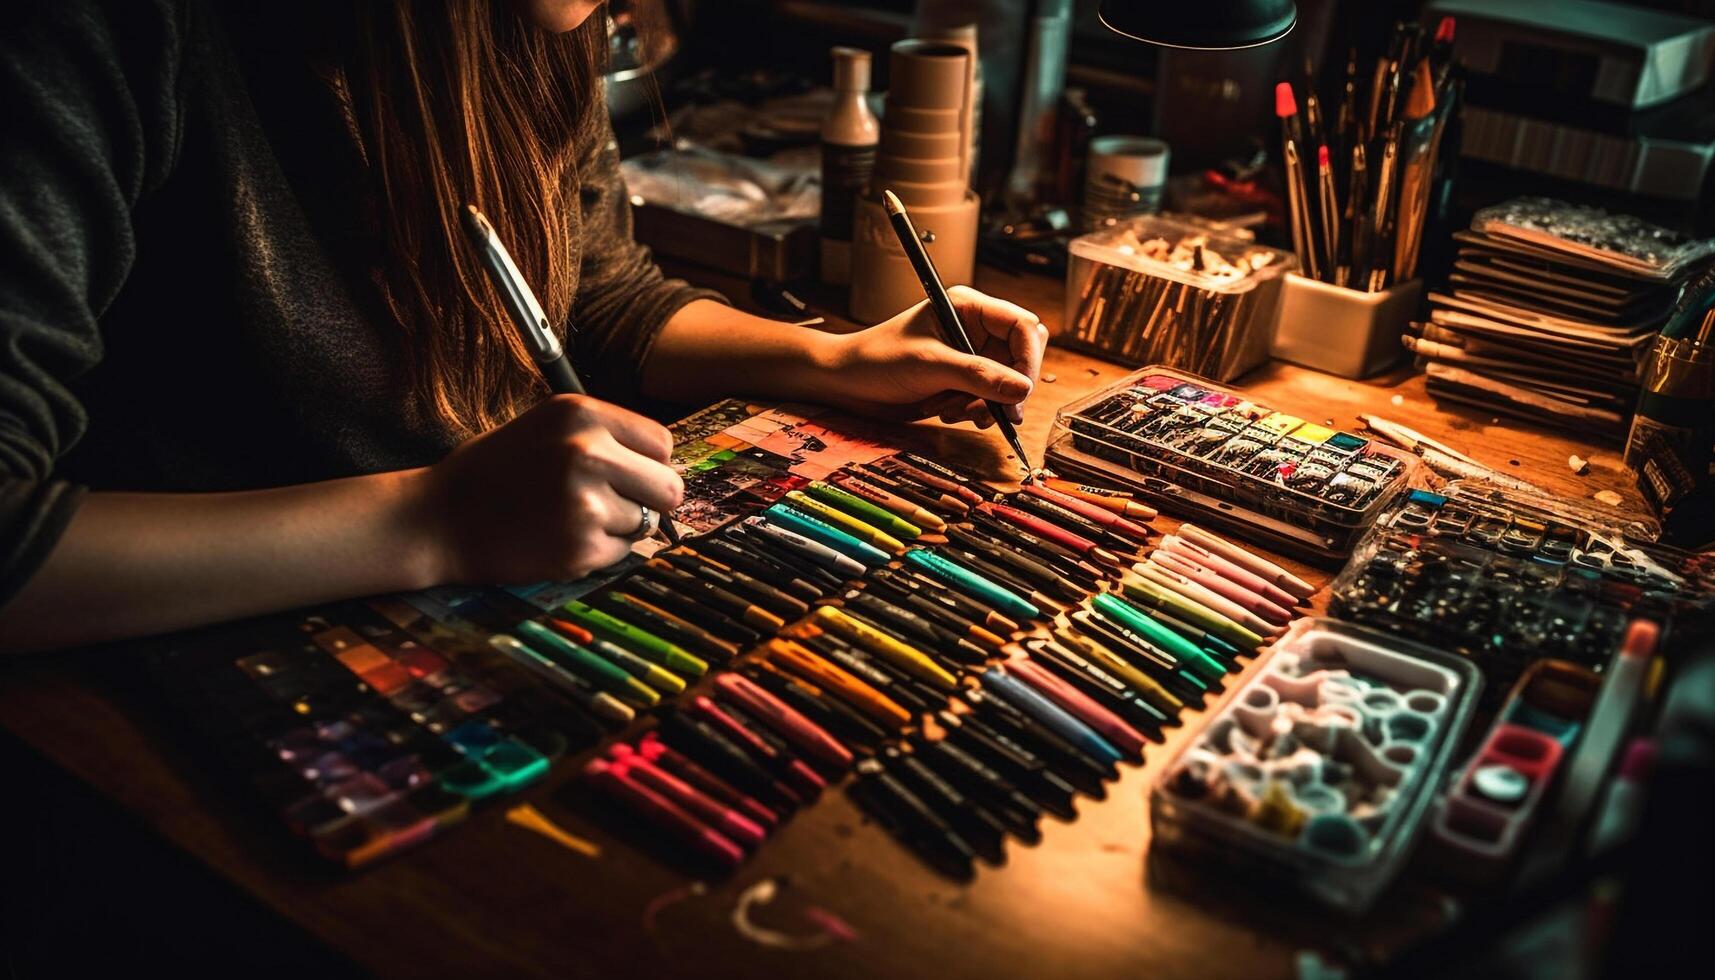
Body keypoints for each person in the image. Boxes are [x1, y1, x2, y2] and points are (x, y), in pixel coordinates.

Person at [0, 0, 1047, 653]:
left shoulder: (531, 24)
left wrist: (833, 358)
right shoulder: (95, 34)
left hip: (459, 626)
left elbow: (596, 297)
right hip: (174, 725)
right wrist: (435, 520)